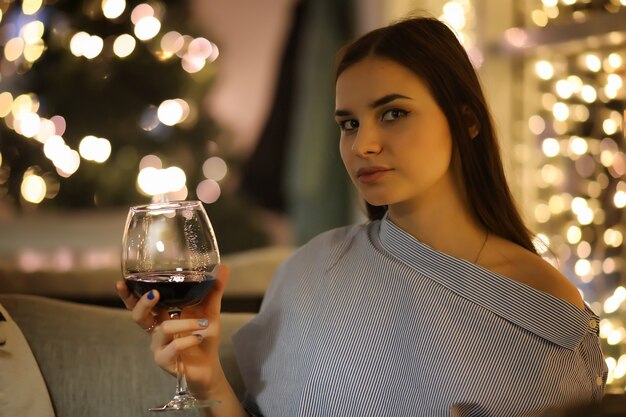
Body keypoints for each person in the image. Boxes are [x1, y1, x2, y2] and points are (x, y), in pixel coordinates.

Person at [117, 15, 607, 417]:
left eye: (393, 113)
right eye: (349, 123)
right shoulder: (309, 270)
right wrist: (208, 378)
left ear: (467, 121)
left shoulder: (545, 311)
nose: (363, 144)